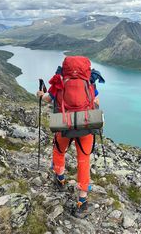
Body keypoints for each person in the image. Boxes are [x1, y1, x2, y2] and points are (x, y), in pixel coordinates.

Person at [37, 63, 104, 217]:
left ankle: (60, 179)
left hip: (63, 125)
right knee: (83, 160)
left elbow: (48, 99)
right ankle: (82, 202)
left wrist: (41, 94)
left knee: (59, 151)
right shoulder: (89, 82)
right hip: (85, 127)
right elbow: (96, 102)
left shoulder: (59, 80)